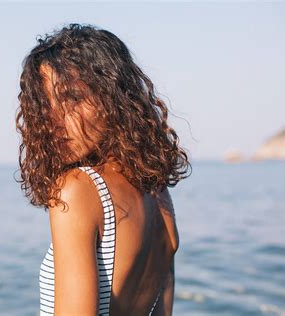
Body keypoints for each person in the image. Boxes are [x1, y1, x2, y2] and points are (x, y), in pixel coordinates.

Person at [15, 23, 191, 316]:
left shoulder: (78, 189)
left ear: (114, 96)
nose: (55, 119)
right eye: (46, 104)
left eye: (72, 98)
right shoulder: (157, 191)